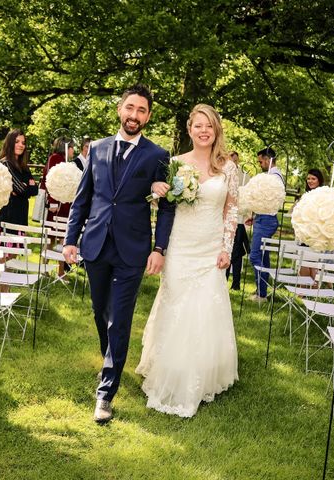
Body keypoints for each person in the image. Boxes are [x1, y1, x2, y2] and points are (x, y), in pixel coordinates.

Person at [62, 84, 175, 423]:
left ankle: (106, 392)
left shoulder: (157, 156)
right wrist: (71, 239)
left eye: (141, 111)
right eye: (130, 108)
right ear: (119, 110)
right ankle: (109, 359)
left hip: (133, 248)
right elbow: (83, 199)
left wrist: (159, 248)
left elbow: (166, 207)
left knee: (120, 318)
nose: (134, 115)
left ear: (148, 117)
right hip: (96, 243)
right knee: (100, 312)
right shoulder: (96, 149)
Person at [136, 104, 239, 417]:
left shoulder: (228, 168)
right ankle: (170, 367)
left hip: (210, 249)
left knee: (205, 309)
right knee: (177, 304)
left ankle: (201, 373)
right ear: (189, 129)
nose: (203, 131)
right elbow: (165, 206)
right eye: (198, 126)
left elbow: (231, 210)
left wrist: (227, 248)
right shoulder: (175, 163)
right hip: (181, 246)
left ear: (216, 130)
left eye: (209, 126)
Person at [248, 147, 284, 302]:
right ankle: (261, 292)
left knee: (255, 255)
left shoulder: (274, 177)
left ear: (269, 159)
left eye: (261, 161)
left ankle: (262, 294)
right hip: (262, 218)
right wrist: (256, 215)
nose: (260, 164)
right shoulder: (270, 175)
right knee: (263, 257)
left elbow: (270, 201)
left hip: (267, 220)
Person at [0, 128, 38, 232]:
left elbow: (35, 190)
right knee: (8, 246)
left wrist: (24, 188)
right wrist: (27, 186)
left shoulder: (24, 166)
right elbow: (22, 190)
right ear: (10, 143)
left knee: (21, 246)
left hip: (22, 214)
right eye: (17, 141)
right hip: (8, 214)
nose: (21, 145)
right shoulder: (5, 164)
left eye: (23, 143)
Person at [225, 151, 251, 290]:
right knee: (231, 251)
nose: (234, 163)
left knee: (237, 253)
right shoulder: (223, 172)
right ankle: (226, 280)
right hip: (226, 220)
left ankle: (235, 283)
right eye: (231, 159)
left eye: (235, 160)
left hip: (239, 221)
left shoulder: (244, 176)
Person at [298, 168, 325, 279]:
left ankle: (307, 290)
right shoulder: (307, 194)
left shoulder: (322, 194)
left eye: (313, 178)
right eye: (308, 178)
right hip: (305, 231)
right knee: (306, 261)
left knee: (311, 262)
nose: (310, 181)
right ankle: (306, 290)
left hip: (316, 232)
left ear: (319, 180)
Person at [41, 136, 74, 222]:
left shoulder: (61, 159)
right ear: (66, 148)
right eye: (72, 147)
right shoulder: (56, 158)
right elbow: (52, 181)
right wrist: (53, 202)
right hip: (56, 204)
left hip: (61, 202)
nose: (73, 150)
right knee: (54, 230)